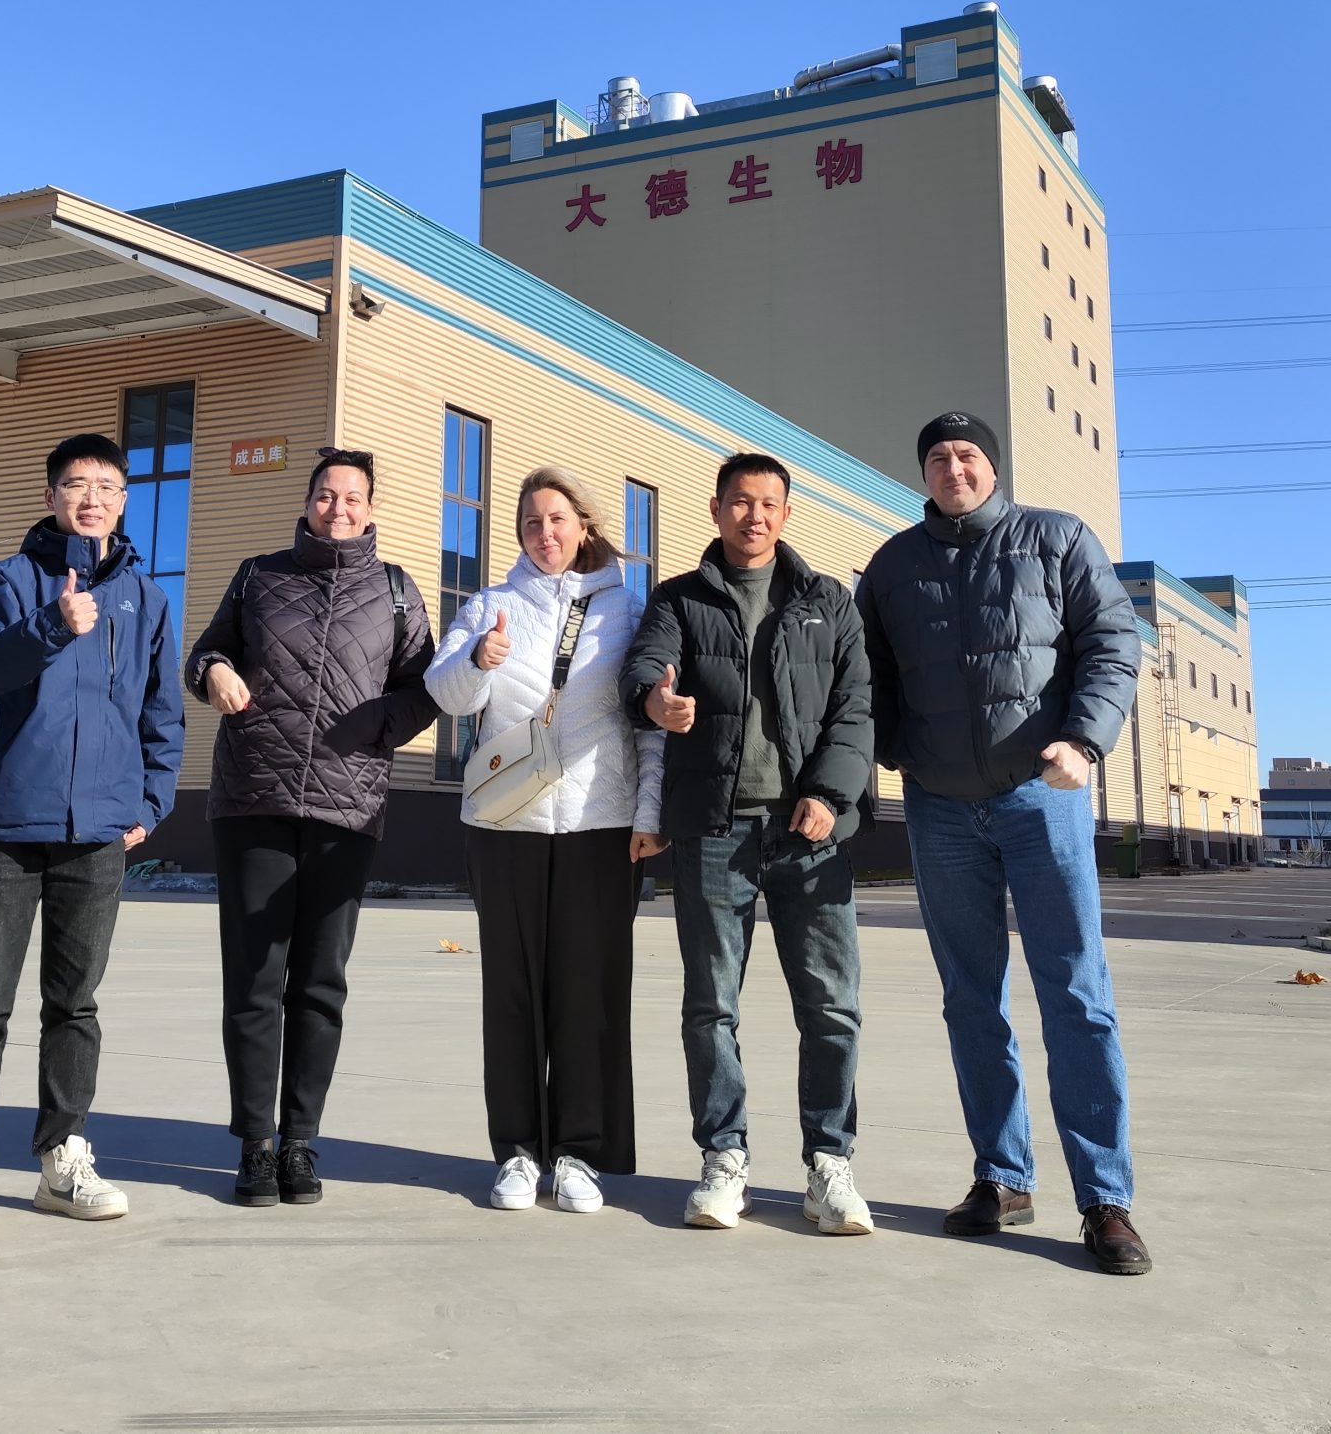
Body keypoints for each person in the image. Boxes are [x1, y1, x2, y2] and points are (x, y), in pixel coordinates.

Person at [854, 412, 1152, 1274]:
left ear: (993, 466)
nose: (954, 468)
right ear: (923, 473)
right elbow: (865, 677)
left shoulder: (1057, 540)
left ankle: (1105, 1200)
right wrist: (894, 753)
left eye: (968, 455)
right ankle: (1002, 1176)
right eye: (938, 458)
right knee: (971, 999)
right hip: (940, 809)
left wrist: (1084, 740)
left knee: (1076, 995)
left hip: (1040, 799)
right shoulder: (893, 565)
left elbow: (1113, 642)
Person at [0, 431, 183, 1239]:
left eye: (107, 486)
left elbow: (161, 712)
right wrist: (53, 624)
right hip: (7, 823)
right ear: (50, 496)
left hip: (98, 831)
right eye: (76, 484)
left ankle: (62, 1157)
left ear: (124, 501)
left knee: (75, 1004)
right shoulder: (8, 578)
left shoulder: (146, 597)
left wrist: (151, 799)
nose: (92, 498)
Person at [620, 451, 876, 1235]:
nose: (753, 515)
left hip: (810, 833)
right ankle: (723, 1159)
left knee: (831, 1006)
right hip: (713, 829)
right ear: (715, 509)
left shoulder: (828, 602)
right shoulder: (679, 598)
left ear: (786, 515)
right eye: (739, 501)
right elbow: (643, 669)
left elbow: (855, 709)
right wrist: (655, 703)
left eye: (768, 503)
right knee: (711, 1006)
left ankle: (829, 1162)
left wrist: (829, 795)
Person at [188, 446, 437, 1207]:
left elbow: (425, 689)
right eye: (326, 495)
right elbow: (206, 654)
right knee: (254, 978)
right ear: (307, 502)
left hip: (346, 807)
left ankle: (300, 1140)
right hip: (253, 800)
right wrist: (215, 672)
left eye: (352, 497)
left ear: (371, 508)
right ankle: (255, 1144)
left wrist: (371, 730)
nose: (338, 509)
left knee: (321, 982)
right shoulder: (257, 576)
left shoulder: (396, 591)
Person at [427, 467, 665, 1214]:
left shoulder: (628, 610)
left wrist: (649, 812)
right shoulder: (490, 605)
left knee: (590, 994)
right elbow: (445, 693)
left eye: (557, 518)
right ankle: (519, 1151)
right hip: (508, 827)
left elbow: (649, 724)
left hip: (602, 823)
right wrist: (478, 659)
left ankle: (579, 1154)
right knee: (513, 991)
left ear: (584, 524)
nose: (544, 532)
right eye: (531, 521)